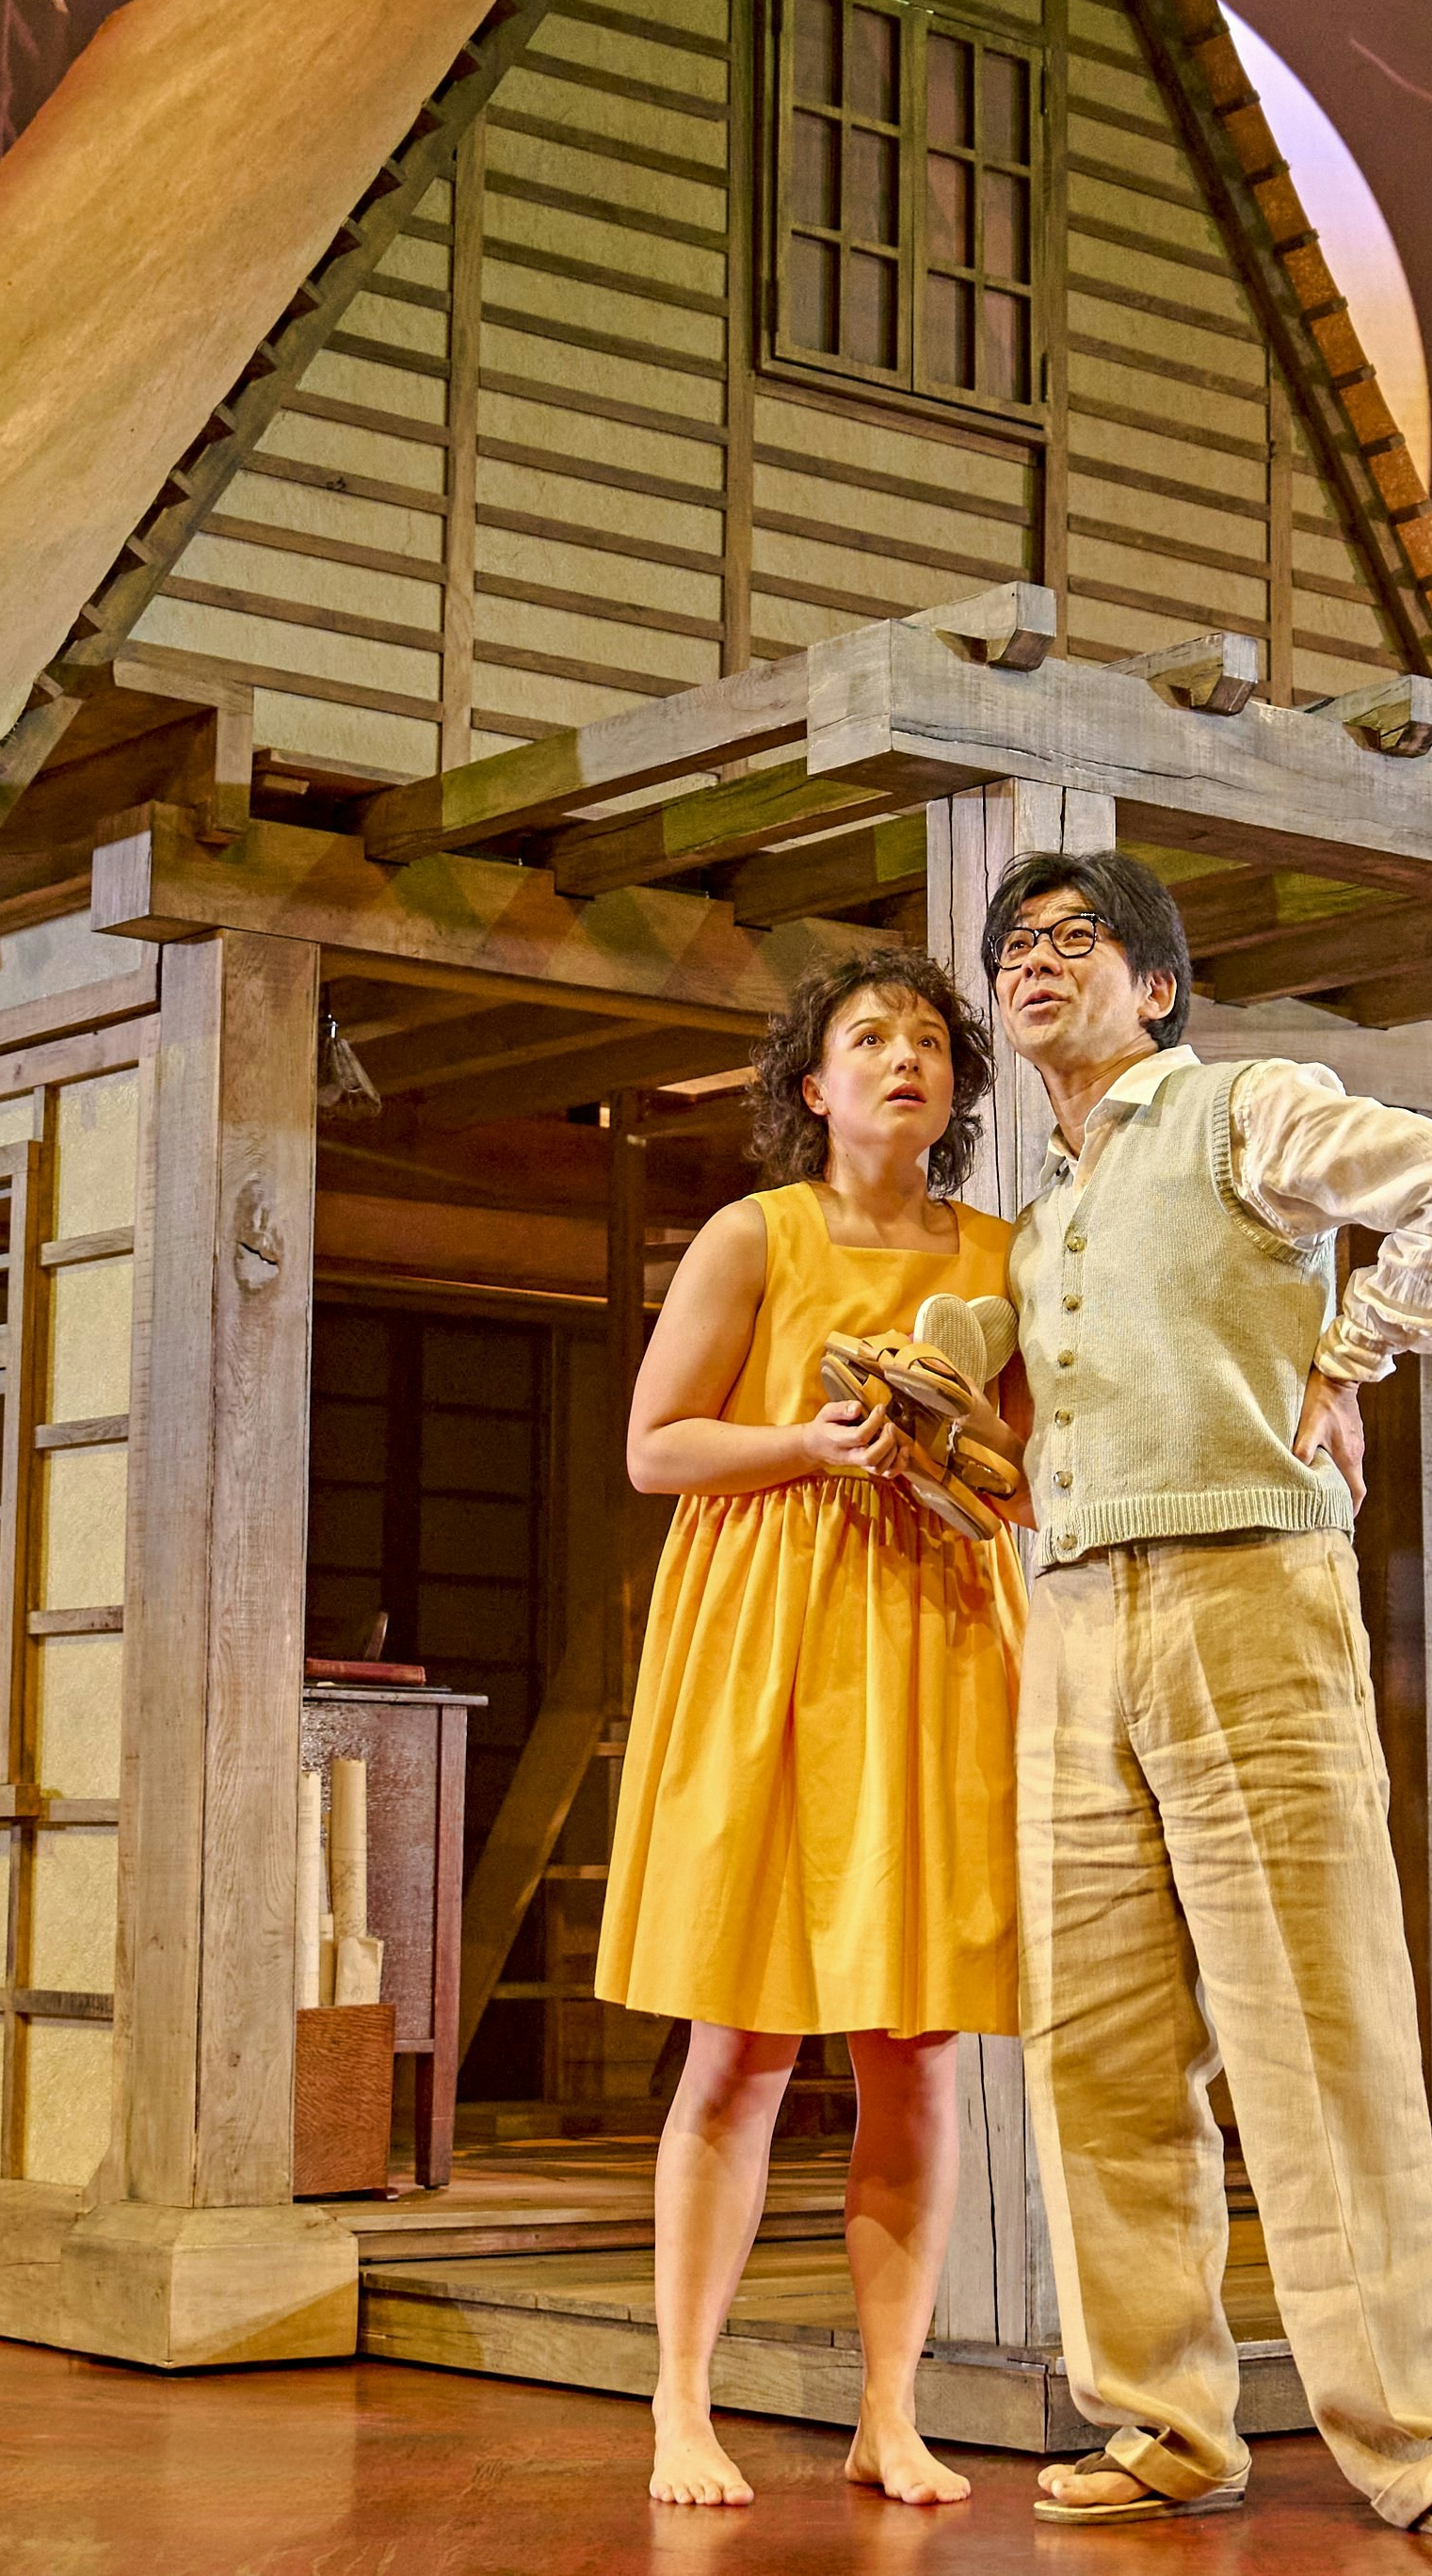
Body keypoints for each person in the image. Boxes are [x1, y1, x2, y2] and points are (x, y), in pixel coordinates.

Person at [984, 854, 1432, 2552]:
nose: (1036, 963)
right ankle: (1159, 2421)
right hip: (1074, 1617)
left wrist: (1353, 1352)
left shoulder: (1245, 1107)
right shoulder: (1040, 1207)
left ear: (1154, 986)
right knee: (1096, 2052)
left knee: (1317, 2031)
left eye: (1075, 940)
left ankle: (1421, 2442)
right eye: (1016, 945)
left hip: (1246, 1587)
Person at [599, 945, 1029, 2512]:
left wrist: (951, 1446)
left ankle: (890, 2413)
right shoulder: (752, 1233)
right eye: (873, 1038)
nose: (906, 1058)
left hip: (934, 1637)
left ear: (954, 1094)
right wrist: (809, 1439)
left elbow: (1033, 1479)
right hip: (770, 1632)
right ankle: (683, 2404)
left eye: (931, 1042)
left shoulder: (1000, 1254)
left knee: (915, 2054)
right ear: (814, 1087)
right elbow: (654, 1448)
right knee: (743, 2039)